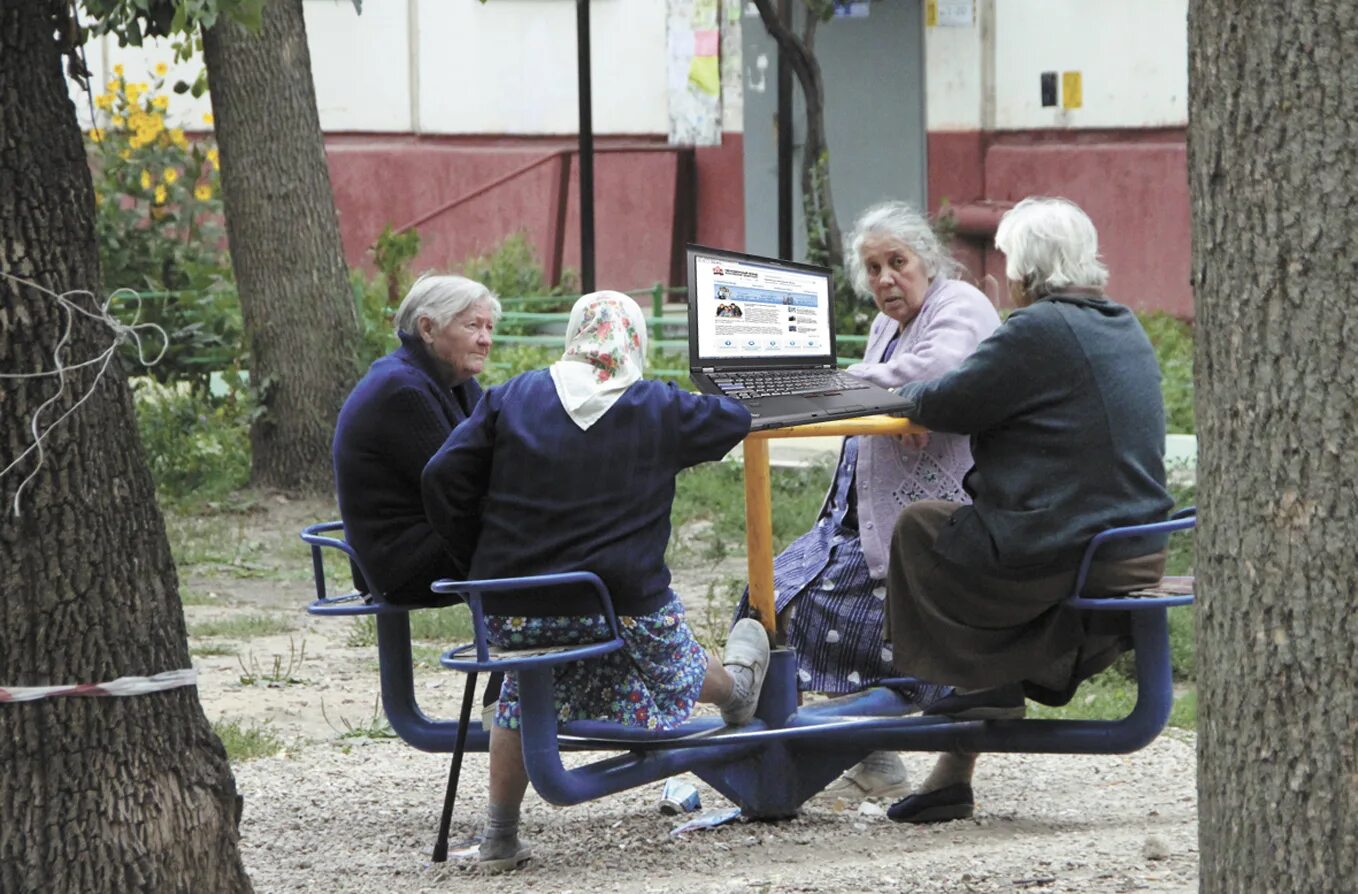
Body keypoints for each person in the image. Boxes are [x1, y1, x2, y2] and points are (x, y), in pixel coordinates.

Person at [422, 290, 771, 873]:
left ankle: (499, 837)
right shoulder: (657, 405)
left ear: (575, 337)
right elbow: (735, 416)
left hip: (512, 605)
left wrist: (478, 553)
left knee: (517, 693)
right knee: (667, 647)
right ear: (633, 341)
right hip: (617, 604)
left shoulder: (512, 397)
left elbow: (440, 475)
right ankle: (737, 693)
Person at [882, 197, 1173, 824]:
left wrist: (893, 390)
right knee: (968, 523)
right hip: (1135, 542)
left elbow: (948, 399)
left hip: (1075, 550)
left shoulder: (1038, 328)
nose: (1007, 273)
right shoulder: (1119, 319)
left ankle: (971, 691)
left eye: (1010, 260)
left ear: (1026, 271)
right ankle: (958, 759)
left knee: (920, 527)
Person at [733, 200, 1000, 802]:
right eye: (873, 267)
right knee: (760, 598)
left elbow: (941, 369)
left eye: (896, 262)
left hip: (923, 529)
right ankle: (841, 752)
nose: (885, 279)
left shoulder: (960, 305)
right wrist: (891, 398)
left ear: (926, 260)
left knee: (806, 611)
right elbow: (898, 383)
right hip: (856, 521)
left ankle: (836, 752)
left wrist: (866, 388)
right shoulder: (886, 326)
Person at [333, 273, 499, 604]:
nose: (485, 340)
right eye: (472, 326)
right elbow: (463, 484)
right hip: (399, 563)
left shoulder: (456, 381)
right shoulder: (401, 387)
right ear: (427, 329)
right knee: (544, 537)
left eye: (489, 328)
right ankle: (549, 641)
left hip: (434, 542)